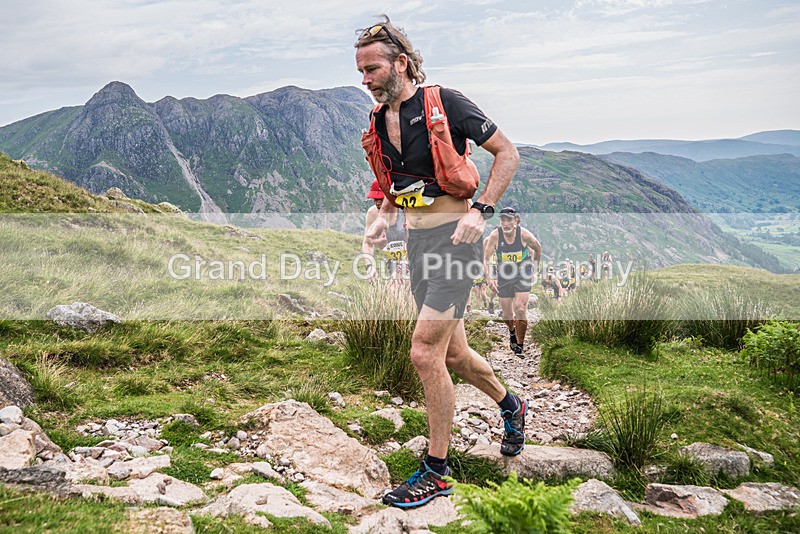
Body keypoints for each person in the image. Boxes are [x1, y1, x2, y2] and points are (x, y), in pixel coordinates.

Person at [355, 17, 525, 508]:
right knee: (453, 355)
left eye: (372, 69)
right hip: (418, 247)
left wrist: (481, 211)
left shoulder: (446, 102)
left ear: (401, 64)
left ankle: (437, 470)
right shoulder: (377, 123)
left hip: (458, 243)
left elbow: (507, 154)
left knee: (423, 353)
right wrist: (384, 216)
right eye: (360, 71)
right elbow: (399, 187)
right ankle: (512, 405)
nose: (364, 79)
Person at [483, 207, 541, 356]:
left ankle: (520, 345)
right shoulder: (495, 236)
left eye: (509, 220)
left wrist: (534, 268)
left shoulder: (524, 234)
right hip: (504, 275)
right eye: (503, 220)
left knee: (520, 309)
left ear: (516, 220)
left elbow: (538, 247)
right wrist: (489, 278)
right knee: (507, 315)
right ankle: (512, 332)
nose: (506, 223)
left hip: (522, 273)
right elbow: (485, 258)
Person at [362, 179, 409, 284]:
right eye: (374, 199)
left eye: (381, 199)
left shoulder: (405, 209)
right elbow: (367, 243)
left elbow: (416, 242)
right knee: (394, 292)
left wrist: (403, 266)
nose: (377, 203)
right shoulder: (372, 213)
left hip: (413, 258)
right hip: (392, 260)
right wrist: (370, 266)